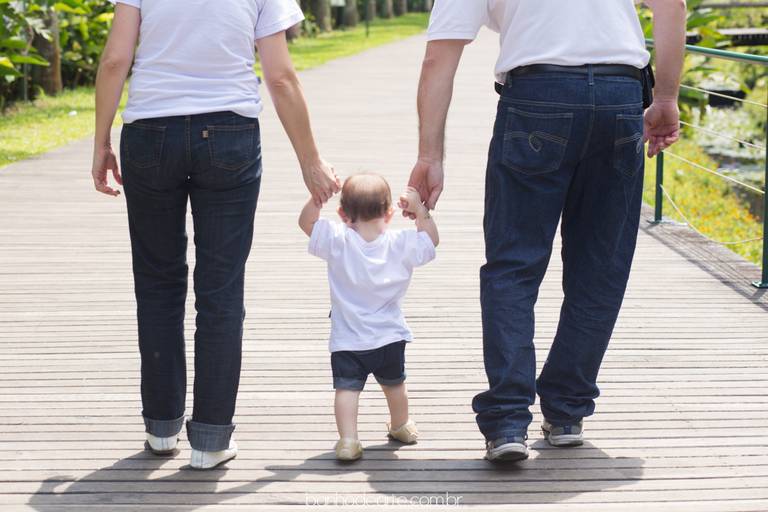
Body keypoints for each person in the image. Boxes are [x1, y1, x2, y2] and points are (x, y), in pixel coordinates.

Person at [404, 0, 686, 461]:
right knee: (601, 266)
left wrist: (430, 156)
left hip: (537, 97)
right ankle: (568, 409)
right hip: (620, 93)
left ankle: (509, 420)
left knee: (513, 266)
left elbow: (440, 57)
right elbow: (671, 6)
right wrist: (668, 96)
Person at [91, 0, 340, 469]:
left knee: (158, 283)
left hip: (149, 133)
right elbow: (281, 77)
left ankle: (161, 428)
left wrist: (102, 141)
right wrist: (310, 160)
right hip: (229, 134)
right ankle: (210, 440)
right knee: (221, 291)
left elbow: (115, 60)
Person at [299, 175, 439, 460]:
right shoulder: (401, 243)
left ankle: (349, 440)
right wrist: (420, 211)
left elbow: (306, 224)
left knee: (347, 390)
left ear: (341, 214)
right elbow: (431, 240)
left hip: (348, 339)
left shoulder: (337, 240)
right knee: (395, 384)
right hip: (389, 336)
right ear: (389, 213)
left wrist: (317, 198)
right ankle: (401, 425)